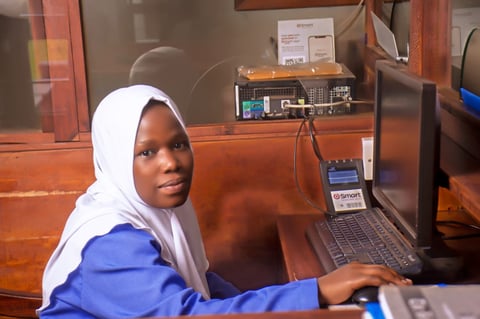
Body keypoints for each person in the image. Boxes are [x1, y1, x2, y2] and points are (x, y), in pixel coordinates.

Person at [37, 85, 412, 318]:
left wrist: (312, 295)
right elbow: (190, 315)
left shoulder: (158, 211)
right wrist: (315, 291)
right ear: (117, 161)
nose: (171, 162)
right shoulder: (110, 242)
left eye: (179, 144)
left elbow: (200, 284)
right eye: (147, 152)